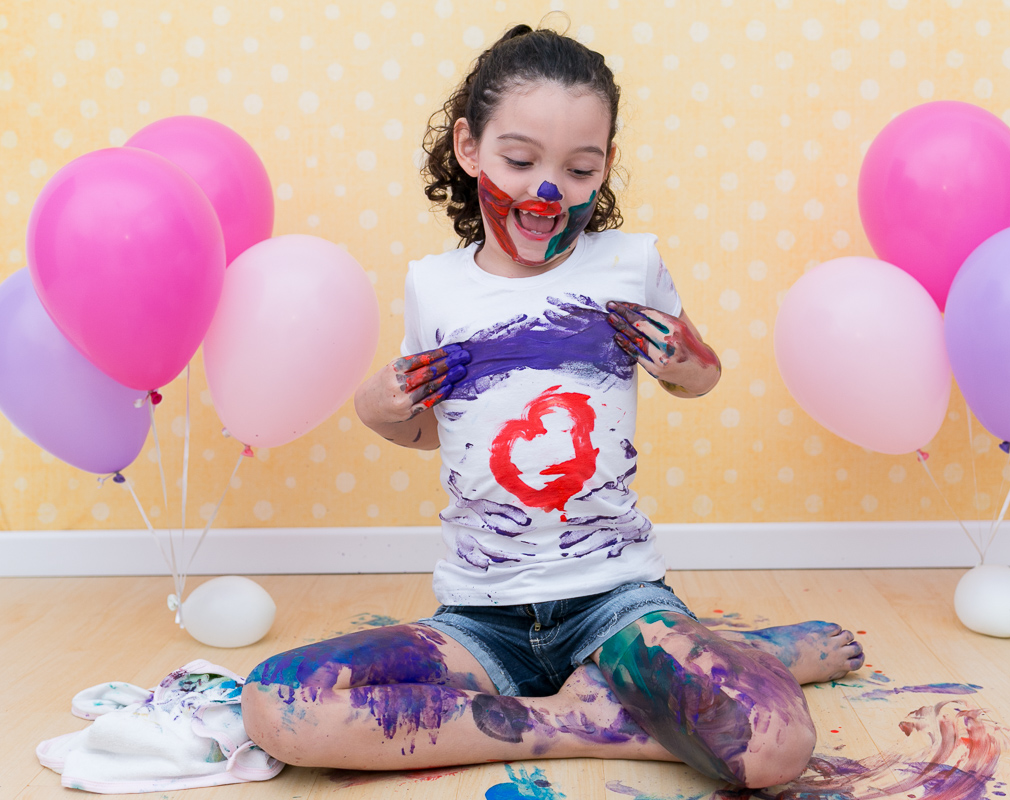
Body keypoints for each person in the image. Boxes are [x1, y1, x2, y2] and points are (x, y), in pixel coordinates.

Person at [242, 24, 863, 789]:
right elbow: (438, 432)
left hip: (616, 603)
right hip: (480, 621)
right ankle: (585, 718)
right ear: (470, 148)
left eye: (579, 168)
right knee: (278, 704)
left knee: (773, 749)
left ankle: (670, 672)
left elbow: (697, 380)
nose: (548, 190)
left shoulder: (630, 263)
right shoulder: (434, 285)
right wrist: (378, 408)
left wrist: (686, 359)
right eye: (520, 160)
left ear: (606, 164)